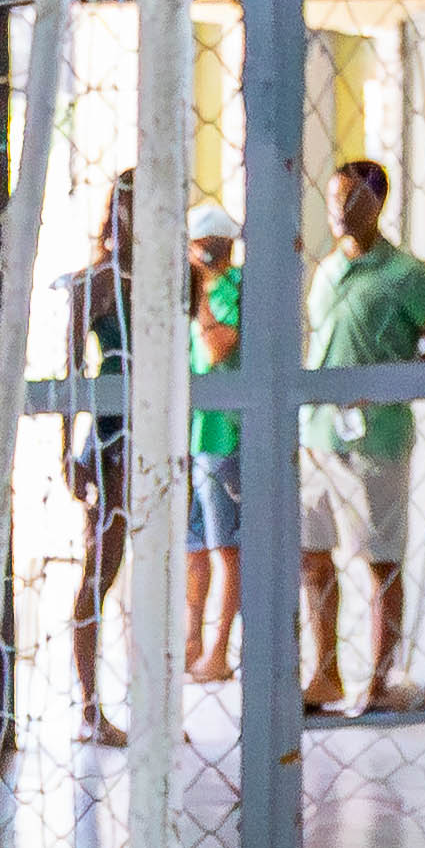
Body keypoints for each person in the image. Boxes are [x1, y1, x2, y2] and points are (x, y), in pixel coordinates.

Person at [296, 155, 425, 713]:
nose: (340, 209)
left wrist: (386, 382)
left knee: (379, 560)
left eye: (353, 198)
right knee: (312, 553)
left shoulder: (409, 276)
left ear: (378, 202)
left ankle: (381, 680)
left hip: (376, 438)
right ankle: (325, 673)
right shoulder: (326, 272)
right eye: (333, 197)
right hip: (319, 433)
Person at [61, 178, 139, 747]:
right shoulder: (95, 283)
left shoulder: (178, 276)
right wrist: (67, 450)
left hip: (165, 436)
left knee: (168, 568)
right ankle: (91, 707)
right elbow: (70, 370)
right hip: (112, 437)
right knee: (100, 571)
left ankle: (157, 704)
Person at [181, 219, 245, 690]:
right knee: (194, 547)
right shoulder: (193, 292)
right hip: (195, 437)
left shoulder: (234, 288)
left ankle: (220, 650)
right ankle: (192, 641)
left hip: (226, 438)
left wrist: (200, 297)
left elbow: (217, 347)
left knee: (227, 549)